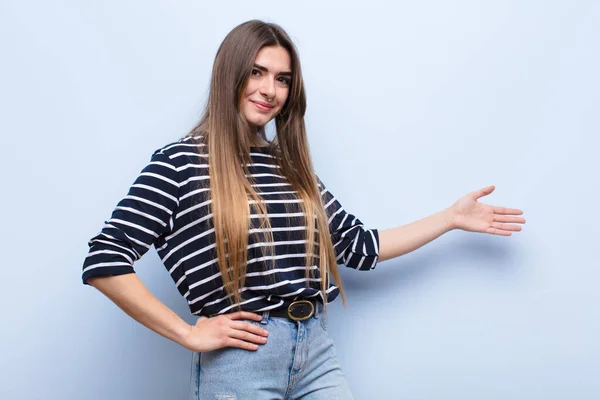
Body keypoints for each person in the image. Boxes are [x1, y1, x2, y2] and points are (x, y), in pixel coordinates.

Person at [82, 19, 526, 399]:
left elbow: (357, 246)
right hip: (240, 360)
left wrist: (450, 218)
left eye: (282, 79)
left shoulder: (289, 167)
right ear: (229, 75)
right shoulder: (180, 163)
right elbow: (104, 259)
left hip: (314, 349)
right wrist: (188, 333)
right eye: (256, 72)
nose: (269, 90)